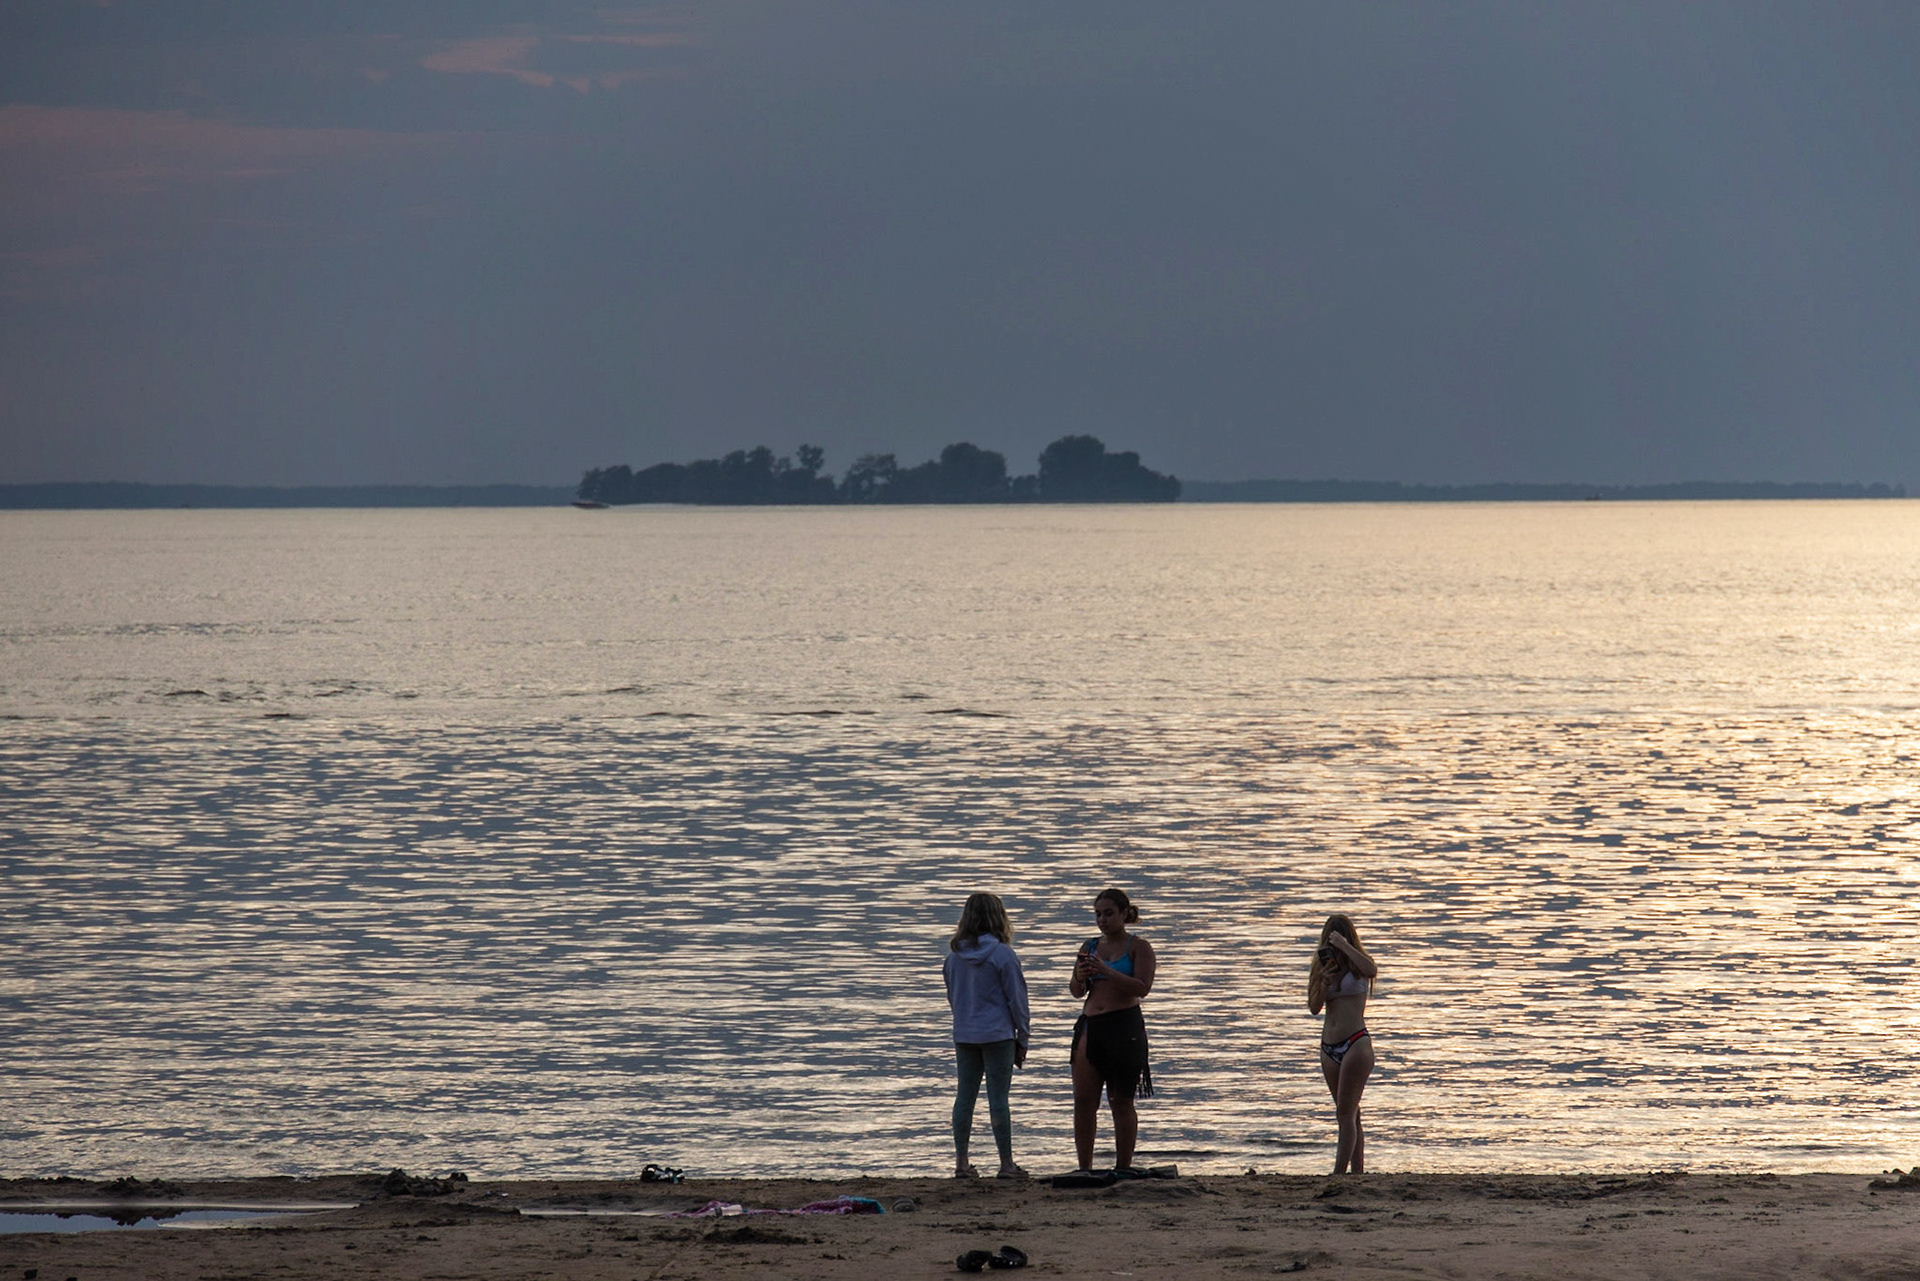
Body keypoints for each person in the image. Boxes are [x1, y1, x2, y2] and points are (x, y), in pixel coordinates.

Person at [1068, 887, 1157, 1175]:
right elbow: (1075, 991)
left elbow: (1142, 987)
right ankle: (1084, 1168)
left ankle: (1123, 1167)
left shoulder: (1138, 947)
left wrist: (1107, 970)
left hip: (1124, 1026)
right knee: (1084, 1100)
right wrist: (1080, 978)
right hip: (1091, 1025)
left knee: (1121, 1100)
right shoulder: (1090, 946)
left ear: (1123, 914)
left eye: (1108, 914)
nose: (1102, 920)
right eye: (1097, 914)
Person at [943, 892, 1031, 1179]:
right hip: (998, 1035)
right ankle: (1006, 1164)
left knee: (964, 1098)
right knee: (998, 1099)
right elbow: (1017, 1000)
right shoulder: (1003, 955)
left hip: (965, 1033)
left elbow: (952, 996)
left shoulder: (954, 957)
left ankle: (961, 1162)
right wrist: (1023, 1037)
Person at [1307, 912, 1377, 1175]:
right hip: (1329, 1047)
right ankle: (1357, 1172)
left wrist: (1346, 947)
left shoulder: (1359, 965)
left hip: (1356, 1043)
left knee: (1345, 1114)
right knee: (1351, 1113)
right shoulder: (1322, 966)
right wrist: (1324, 983)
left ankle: (1338, 1174)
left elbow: (1372, 970)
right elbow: (1314, 1007)